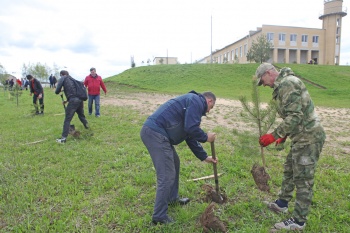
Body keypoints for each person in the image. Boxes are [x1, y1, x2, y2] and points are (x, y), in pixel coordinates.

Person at [256, 63, 326, 231]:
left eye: (262, 80)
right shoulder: (284, 84)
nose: (263, 84)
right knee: (289, 170)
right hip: (300, 136)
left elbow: (295, 115)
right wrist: (285, 135)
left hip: (309, 137)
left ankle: (298, 221)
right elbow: (293, 113)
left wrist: (274, 136)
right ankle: (282, 204)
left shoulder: (288, 83)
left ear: (268, 73)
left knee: (303, 179)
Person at [140, 90, 218, 225]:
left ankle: (172, 198)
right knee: (166, 175)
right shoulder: (196, 101)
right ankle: (159, 216)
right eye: (211, 108)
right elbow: (190, 128)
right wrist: (206, 137)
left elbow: (190, 135)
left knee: (175, 163)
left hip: (159, 134)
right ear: (209, 101)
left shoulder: (192, 104)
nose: (209, 112)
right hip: (156, 133)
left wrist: (204, 157)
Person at [55, 70, 89, 143]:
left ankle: (63, 139)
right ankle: (87, 126)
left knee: (67, 119)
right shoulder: (73, 79)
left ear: (62, 74)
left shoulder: (63, 78)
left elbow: (57, 91)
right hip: (80, 100)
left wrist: (59, 89)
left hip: (73, 101)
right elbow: (74, 92)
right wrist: (67, 100)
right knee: (81, 115)